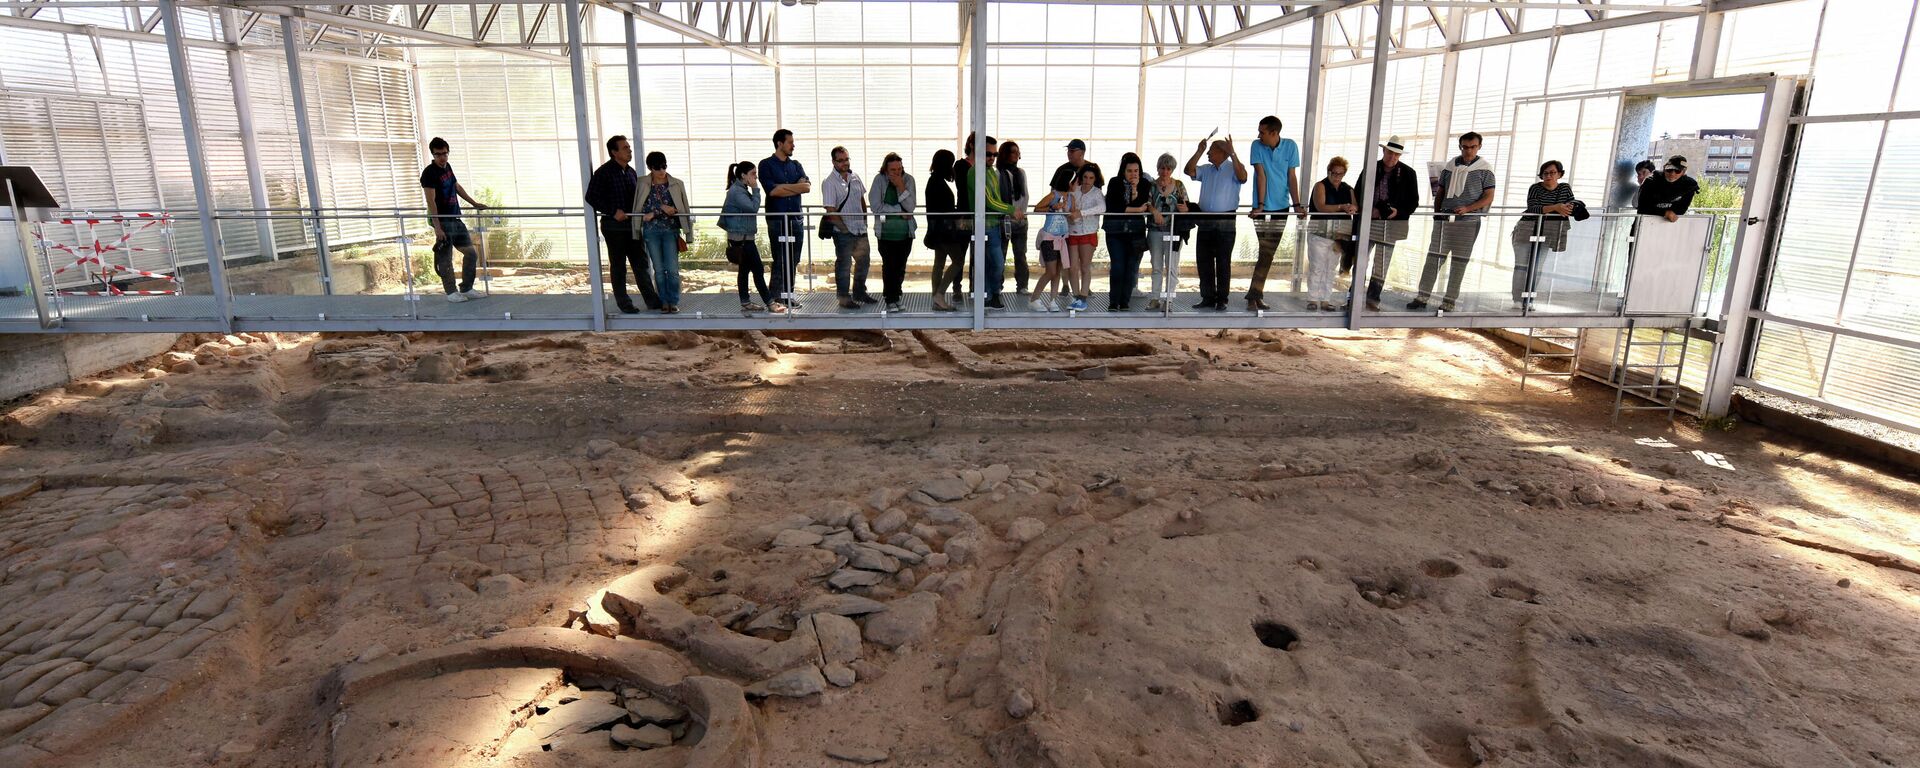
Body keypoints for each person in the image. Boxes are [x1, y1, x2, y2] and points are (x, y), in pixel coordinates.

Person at [1412, 131, 1495, 312]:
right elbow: (1440, 192)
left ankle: (1449, 301)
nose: (1468, 150)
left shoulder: (1485, 169)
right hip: (1445, 220)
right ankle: (1422, 296)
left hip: (1468, 222)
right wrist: (1437, 214)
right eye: (1465, 147)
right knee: (1433, 258)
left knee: (1459, 261)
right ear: (1460, 146)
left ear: (1479, 146)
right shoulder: (1450, 166)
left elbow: (1489, 196)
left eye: (1472, 147)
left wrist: (1468, 208)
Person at [585, 135, 661, 314]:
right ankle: (624, 303)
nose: (629, 150)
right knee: (618, 265)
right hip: (614, 227)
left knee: (640, 262)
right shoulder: (604, 172)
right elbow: (591, 196)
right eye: (625, 148)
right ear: (614, 152)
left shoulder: (631, 172)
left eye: (629, 147)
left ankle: (652, 300)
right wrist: (613, 211)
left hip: (632, 225)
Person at [1353, 135, 1421, 312]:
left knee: (1381, 264)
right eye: (1390, 153)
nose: (1392, 158)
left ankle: (1373, 298)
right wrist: (1366, 210)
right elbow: (1357, 191)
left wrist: (1397, 212)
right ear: (1384, 151)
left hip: (1391, 225)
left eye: (1396, 155)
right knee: (1361, 260)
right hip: (1368, 222)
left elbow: (1413, 202)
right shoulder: (1371, 168)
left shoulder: (1408, 173)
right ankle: (1353, 297)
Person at [419, 137, 489, 303]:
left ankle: (467, 287)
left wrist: (474, 204)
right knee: (445, 258)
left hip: (455, 218)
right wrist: (437, 227)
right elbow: (431, 201)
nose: (442, 157)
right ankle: (451, 292)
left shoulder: (447, 167)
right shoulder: (429, 173)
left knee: (471, 254)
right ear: (433, 154)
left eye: (445, 153)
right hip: (443, 220)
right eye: (438, 155)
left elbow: (456, 187)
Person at [1246, 115, 1304, 310]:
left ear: (1274, 133)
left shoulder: (1291, 146)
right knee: (1266, 250)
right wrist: (1261, 204)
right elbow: (1260, 175)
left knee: (1268, 252)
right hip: (1260, 207)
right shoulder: (1257, 146)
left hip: (1281, 207)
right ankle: (1254, 295)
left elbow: (1292, 177)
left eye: (1262, 132)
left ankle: (1254, 295)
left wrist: (1297, 204)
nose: (1259, 135)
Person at [1185, 136, 1247, 311]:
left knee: (1223, 261)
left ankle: (1222, 298)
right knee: (1203, 260)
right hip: (1205, 219)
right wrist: (1199, 151)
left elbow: (1243, 177)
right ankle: (1207, 297)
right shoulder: (1207, 169)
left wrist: (1232, 152)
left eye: (1211, 150)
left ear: (1222, 152)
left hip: (1226, 220)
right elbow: (1188, 170)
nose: (1208, 154)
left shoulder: (1233, 168)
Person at [957, 133, 1019, 309]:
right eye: (988, 154)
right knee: (991, 262)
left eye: (995, 154)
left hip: (993, 224)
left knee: (995, 262)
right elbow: (988, 201)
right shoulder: (975, 172)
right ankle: (988, 295)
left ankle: (992, 294)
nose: (992, 158)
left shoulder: (992, 171)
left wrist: (1007, 211)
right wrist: (1012, 209)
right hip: (982, 225)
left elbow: (995, 199)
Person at [1511, 159, 1580, 307]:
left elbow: (1570, 207)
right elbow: (1533, 208)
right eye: (1545, 173)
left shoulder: (1565, 188)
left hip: (1547, 232)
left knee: (1537, 267)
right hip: (1526, 230)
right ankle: (1517, 299)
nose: (1549, 176)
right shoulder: (1535, 188)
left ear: (1559, 174)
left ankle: (1529, 299)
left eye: (1552, 173)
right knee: (1521, 266)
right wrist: (1556, 207)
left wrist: (1560, 208)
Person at [632, 151, 691, 314]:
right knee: (658, 269)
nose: (661, 171)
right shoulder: (642, 183)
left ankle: (673, 300)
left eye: (664, 166)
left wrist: (663, 211)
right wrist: (660, 210)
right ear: (650, 168)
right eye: (657, 168)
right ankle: (664, 301)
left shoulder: (676, 183)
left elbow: (682, 207)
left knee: (672, 269)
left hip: (670, 230)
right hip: (651, 232)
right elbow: (639, 208)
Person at [759, 129, 810, 311]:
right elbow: (772, 191)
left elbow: (807, 187)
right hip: (777, 220)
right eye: (790, 142)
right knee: (780, 258)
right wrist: (795, 187)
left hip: (795, 218)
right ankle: (775, 299)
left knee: (793, 259)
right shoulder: (765, 165)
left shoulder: (796, 164)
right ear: (780, 143)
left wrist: (785, 187)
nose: (793, 145)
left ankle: (788, 296)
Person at [822, 145, 876, 309]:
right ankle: (844, 298)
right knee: (844, 265)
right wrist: (844, 228)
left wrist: (865, 221)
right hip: (843, 231)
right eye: (841, 160)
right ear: (833, 162)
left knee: (864, 262)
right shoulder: (829, 182)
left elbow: (861, 199)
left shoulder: (855, 177)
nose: (845, 163)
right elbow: (830, 210)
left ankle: (859, 292)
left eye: (846, 159)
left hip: (860, 229)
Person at [719, 161, 776, 313]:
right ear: (743, 175)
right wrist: (756, 189)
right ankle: (770, 303)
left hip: (743, 237)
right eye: (753, 174)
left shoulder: (740, 189)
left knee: (744, 271)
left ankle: (746, 302)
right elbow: (752, 208)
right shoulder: (737, 191)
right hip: (742, 239)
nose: (755, 177)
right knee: (758, 269)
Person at [868, 152, 917, 313]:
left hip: (905, 232)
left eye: (899, 169)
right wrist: (898, 211)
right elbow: (876, 206)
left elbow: (910, 207)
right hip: (886, 232)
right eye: (893, 170)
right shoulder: (879, 180)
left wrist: (901, 186)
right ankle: (890, 298)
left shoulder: (908, 180)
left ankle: (897, 295)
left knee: (901, 265)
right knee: (889, 266)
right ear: (885, 169)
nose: (897, 173)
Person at [1306, 157, 1357, 311]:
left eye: (1340, 174)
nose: (1336, 176)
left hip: (1339, 235)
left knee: (1331, 268)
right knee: (1317, 267)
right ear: (1328, 171)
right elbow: (1321, 206)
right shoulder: (1320, 185)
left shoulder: (1347, 188)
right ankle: (1313, 299)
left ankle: (1326, 300)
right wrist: (1342, 207)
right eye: (1333, 173)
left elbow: (1355, 205)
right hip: (1319, 233)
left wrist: (1352, 208)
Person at [1104, 152, 1152, 311]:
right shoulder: (1114, 182)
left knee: (1132, 268)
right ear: (1123, 171)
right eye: (1129, 170)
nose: (1133, 174)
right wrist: (1137, 209)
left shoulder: (1144, 184)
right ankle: (1113, 301)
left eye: (1136, 171)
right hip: (1116, 231)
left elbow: (1143, 203)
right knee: (1118, 266)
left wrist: (1134, 189)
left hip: (1136, 232)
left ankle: (1125, 301)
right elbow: (1113, 206)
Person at [1144, 153, 1192, 311]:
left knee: (1171, 266)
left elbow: (1186, 206)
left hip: (1173, 231)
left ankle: (1169, 299)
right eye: (1162, 168)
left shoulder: (1178, 185)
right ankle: (1155, 298)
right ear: (1158, 168)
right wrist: (1154, 211)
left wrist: (1183, 209)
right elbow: (1147, 203)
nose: (1165, 171)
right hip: (1154, 229)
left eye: (1168, 168)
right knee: (1156, 265)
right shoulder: (1151, 185)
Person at [924, 150, 967, 312]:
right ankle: (939, 295)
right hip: (945, 231)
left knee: (939, 264)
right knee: (958, 261)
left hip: (937, 230)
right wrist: (960, 214)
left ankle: (937, 298)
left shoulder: (934, 180)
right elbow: (944, 210)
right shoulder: (938, 183)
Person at [1063, 165, 1105, 311]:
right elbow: (1068, 208)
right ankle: (1075, 297)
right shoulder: (1075, 191)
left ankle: (1083, 297)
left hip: (1088, 232)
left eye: (1091, 178)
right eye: (1085, 177)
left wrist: (1082, 213)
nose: (1087, 181)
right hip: (1073, 232)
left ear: (1095, 179)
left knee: (1085, 266)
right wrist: (1070, 215)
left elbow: (1102, 208)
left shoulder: (1097, 193)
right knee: (1072, 267)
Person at [998, 142, 1032, 299]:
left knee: (1020, 254)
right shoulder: (998, 173)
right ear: (1005, 154)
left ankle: (1023, 286)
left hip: (1020, 220)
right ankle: (997, 286)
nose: (1016, 155)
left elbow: (1025, 195)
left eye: (1018, 152)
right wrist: (1010, 211)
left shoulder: (1021, 172)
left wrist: (1021, 213)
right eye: (1013, 152)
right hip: (1004, 219)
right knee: (1001, 255)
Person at [1030, 183, 1070, 312]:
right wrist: (1052, 207)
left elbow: (1073, 213)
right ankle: (1034, 298)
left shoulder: (1071, 198)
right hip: (1049, 237)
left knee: (1058, 271)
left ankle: (1053, 300)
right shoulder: (1053, 195)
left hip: (1063, 237)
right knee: (1050, 271)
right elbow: (1037, 209)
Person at [1638, 156, 1699, 222]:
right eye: (1669, 169)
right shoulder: (1651, 181)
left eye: (1677, 171)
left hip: (1669, 226)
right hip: (1645, 223)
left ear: (1683, 172)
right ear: (1664, 168)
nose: (1672, 174)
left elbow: (1681, 210)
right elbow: (1642, 208)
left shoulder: (1689, 185)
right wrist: (1665, 213)